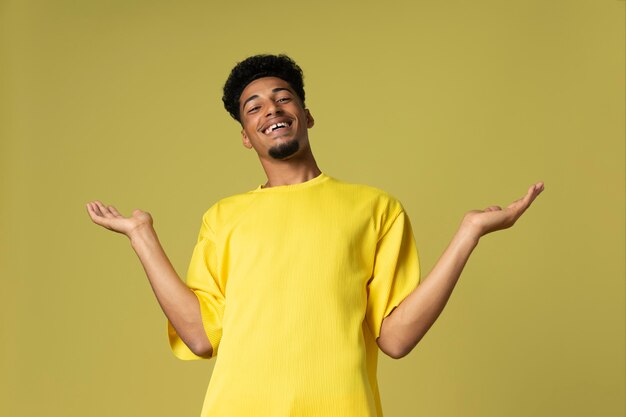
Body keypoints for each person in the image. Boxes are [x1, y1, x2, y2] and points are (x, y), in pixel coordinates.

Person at [86, 54, 545, 417]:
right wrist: (141, 236)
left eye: (283, 98)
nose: (271, 110)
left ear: (306, 114)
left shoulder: (375, 208)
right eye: (255, 107)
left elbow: (397, 338)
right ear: (247, 135)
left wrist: (469, 233)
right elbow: (201, 337)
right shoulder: (223, 217)